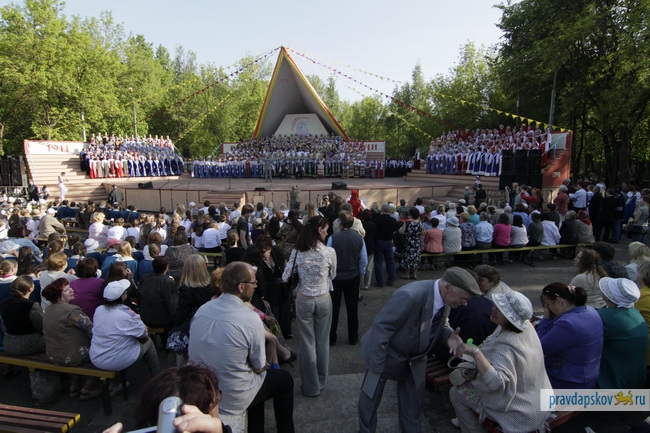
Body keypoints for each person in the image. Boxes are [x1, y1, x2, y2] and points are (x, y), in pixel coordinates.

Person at [358, 267, 481, 433]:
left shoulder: (446, 298)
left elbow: (438, 323)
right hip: (383, 354)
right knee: (370, 399)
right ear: (448, 287)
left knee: (413, 406)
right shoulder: (409, 295)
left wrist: (449, 335)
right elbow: (382, 329)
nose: (465, 303)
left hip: (416, 359)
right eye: (464, 299)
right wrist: (376, 367)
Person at [189, 261, 295, 433]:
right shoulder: (250, 318)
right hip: (232, 397)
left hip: (203, 389)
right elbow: (259, 367)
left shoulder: (202, 310)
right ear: (241, 287)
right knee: (284, 380)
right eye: (253, 283)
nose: (256, 286)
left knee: (257, 384)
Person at [449, 291, 552, 433]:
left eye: (501, 309)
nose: (493, 309)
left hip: (521, 415)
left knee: (456, 393)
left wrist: (475, 352)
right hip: (540, 402)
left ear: (510, 318)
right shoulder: (525, 327)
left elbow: (495, 383)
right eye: (496, 305)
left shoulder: (506, 347)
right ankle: (465, 419)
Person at [282, 216, 336, 396]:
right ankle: (321, 380)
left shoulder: (298, 252)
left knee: (307, 343)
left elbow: (285, 276)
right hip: (323, 298)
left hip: (304, 299)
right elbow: (333, 275)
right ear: (319, 230)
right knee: (322, 341)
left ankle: (311, 386)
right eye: (326, 230)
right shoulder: (329, 252)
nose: (327, 233)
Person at [536, 283, 603, 389]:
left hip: (568, 382)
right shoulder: (591, 311)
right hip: (588, 376)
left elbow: (540, 347)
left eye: (548, 304)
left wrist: (545, 320)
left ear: (559, 301)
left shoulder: (567, 324)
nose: (548, 309)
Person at [41, 278, 98, 399]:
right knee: (102, 355)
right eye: (67, 290)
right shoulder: (72, 311)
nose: (71, 290)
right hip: (71, 356)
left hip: (53, 354)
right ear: (58, 296)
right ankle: (88, 387)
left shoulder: (48, 310)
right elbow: (90, 329)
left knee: (75, 349)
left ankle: (74, 386)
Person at [90, 279, 160, 375]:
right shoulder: (124, 315)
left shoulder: (99, 310)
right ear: (122, 296)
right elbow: (143, 332)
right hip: (116, 360)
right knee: (148, 342)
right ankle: (157, 375)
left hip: (96, 357)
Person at [597, 277, 647, 389]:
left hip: (613, 382)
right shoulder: (635, 313)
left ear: (610, 296)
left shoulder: (605, 316)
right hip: (635, 378)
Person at [327, 210, 366, 346]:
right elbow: (363, 260)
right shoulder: (359, 238)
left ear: (340, 223)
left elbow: (328, 258)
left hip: (336, 277)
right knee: (352, 308)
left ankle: (331, 337)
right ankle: (353, 336)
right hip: (352, 276)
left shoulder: (333, 238)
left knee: (334, 308)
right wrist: (360, 274)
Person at [255, 235, 291, 339]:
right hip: (268, 288)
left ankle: (285, 331)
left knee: (284, 308)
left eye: (263, 251)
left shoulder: (277, 252)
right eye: (259, 252)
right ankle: (275, 333)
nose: (261, 254)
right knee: (272, 311)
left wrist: (286, 279)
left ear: (270, 248)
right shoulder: (258, 260)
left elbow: (285, 265)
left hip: (281, 286)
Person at [0, 276, 45, 355]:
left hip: (8, 343)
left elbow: (4, 325)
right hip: (28, 344)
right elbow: (42, 325)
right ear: (30, 288)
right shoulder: (32, 305)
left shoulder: (4, 303)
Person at [137, 256, 178, 329]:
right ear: (166, 267)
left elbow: (139, 298)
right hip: (163, 321)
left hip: (145, 318)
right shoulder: (168, 282)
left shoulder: (144, 279)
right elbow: (173, 305)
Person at [374, 203, 397, 287]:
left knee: (378, 262)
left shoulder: (376, 220)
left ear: (381, 210)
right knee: (390, 261)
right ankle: (391, 280)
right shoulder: (393, 220)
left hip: (379, 241)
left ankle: (380, 281)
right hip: (388, 241)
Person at [398, 207, 423, 280]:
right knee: (415, 257)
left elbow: (401, 232)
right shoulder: (420, 224)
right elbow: (422, 234)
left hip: (408, 242)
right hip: (416, 242)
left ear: (410, 215)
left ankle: (407, 274)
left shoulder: (407, 223)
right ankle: (414, 274)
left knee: (407, 257)